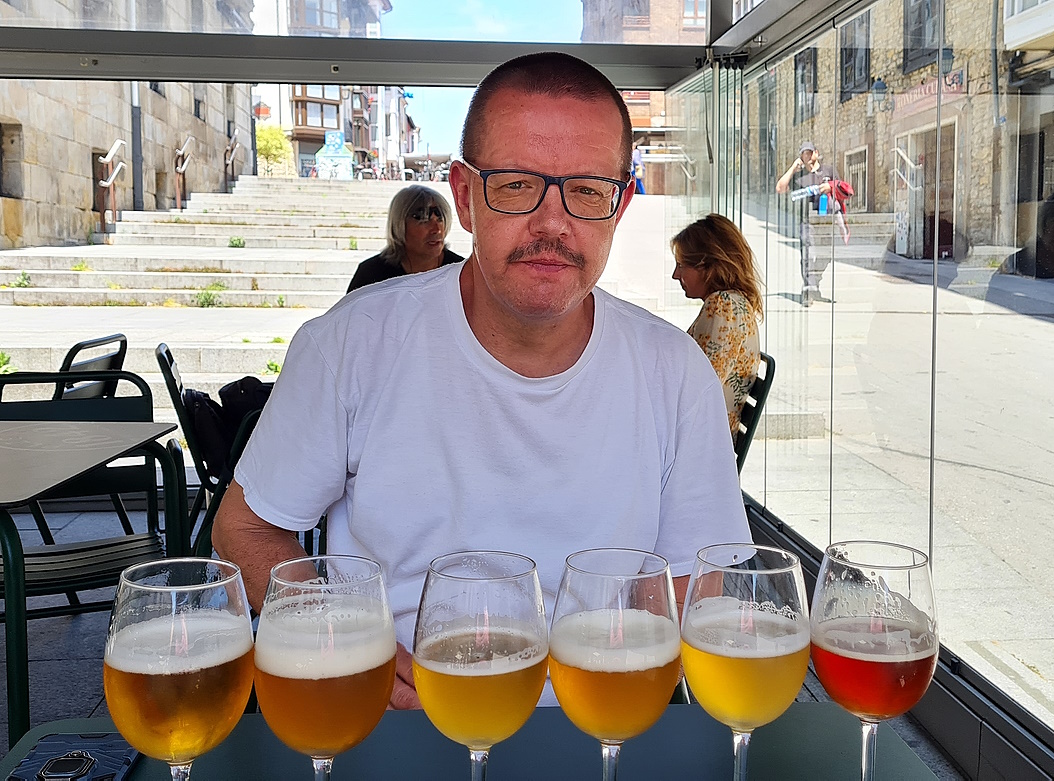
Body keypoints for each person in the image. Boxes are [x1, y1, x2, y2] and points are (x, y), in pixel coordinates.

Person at [213, 51, 750, 711]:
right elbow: (245, 528)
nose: (552, 223)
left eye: (587, 190)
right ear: (464, 197)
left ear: (620, 206)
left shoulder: (675, 372)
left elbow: (697, 580)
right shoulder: (352, 343)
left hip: (596, 721)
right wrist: (341, 635)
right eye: (517, 184)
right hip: (403, 720)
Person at [671, 214, 763, 440]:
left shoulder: (723, 306)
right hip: (705, 438)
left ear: (709, 266)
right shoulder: (733, 304)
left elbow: (700, 390)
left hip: (700, 444)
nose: (675, 275)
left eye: (681, 265)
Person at [346, 185, 464, 293]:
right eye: (424, 220)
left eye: (440, 219)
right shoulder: (371, 275)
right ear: (400, 224)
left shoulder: (461, 273)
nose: (437, 230)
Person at [774, 141, 838, 306]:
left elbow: (841, 188)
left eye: (810, 152)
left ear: (816, 153)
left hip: (826, 220)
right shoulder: (799, 177)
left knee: (826, 255)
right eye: (804, 154)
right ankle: (808, 290)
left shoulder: (828, 171)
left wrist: (830, 187)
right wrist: (792, 169)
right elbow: (780, 188)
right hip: (807, 221)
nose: (807, 156)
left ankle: (814, 283)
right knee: (807, 254)